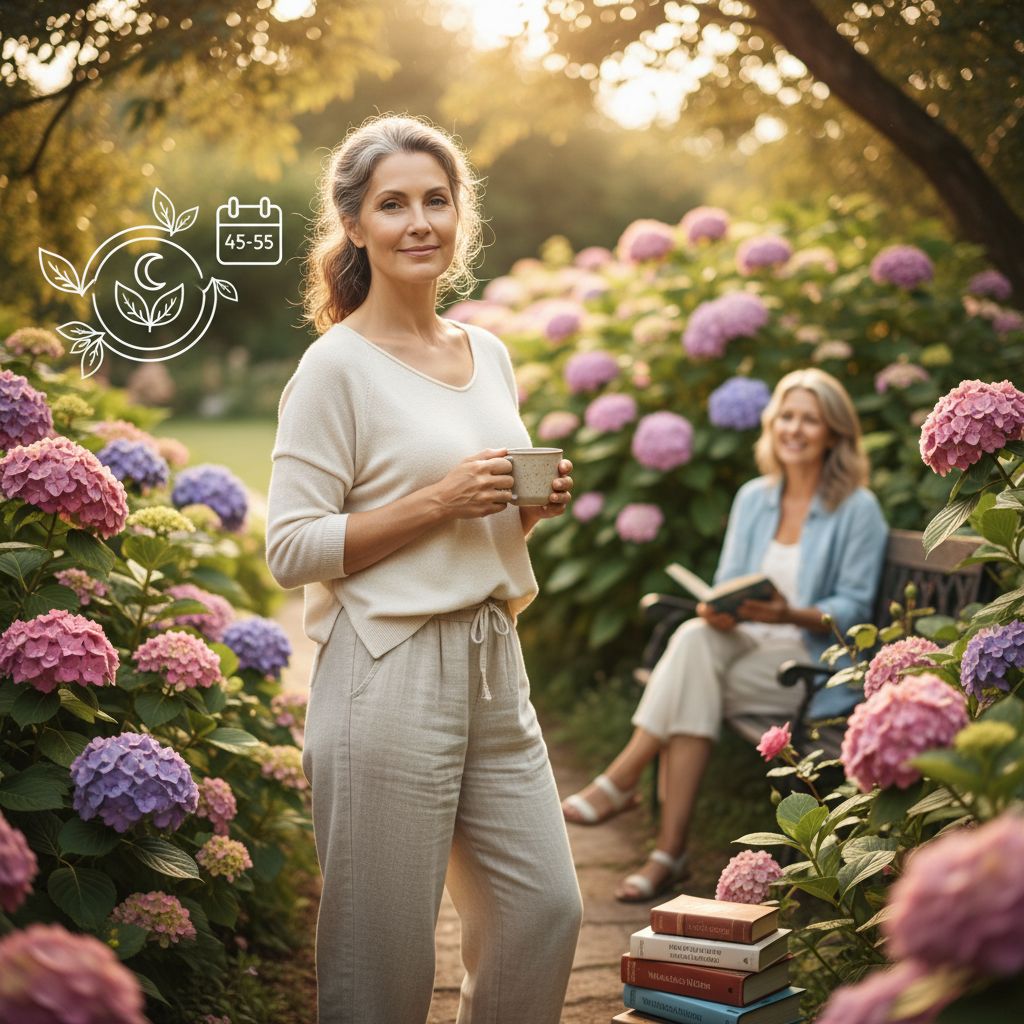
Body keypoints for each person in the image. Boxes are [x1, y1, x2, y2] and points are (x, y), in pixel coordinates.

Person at [265, 114, 583, 1024]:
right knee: (383, 957)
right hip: (384, 673)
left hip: (493, 664)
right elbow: (291, 548)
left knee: (544, 910)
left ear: (460, 215)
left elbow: (478, 527)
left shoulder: (490, 354)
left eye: (436, 201)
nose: (419, 223)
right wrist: (439, 500)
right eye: (393, 204)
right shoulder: (335, 368)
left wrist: (524, 512)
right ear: (355, 226)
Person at [562, 368, 888, 902]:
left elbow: (853, 609)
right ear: (771, 424)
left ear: (834, 432)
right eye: (786, 416)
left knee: (690, 678)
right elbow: (729, 582)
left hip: (806, 665)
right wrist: (720, 609)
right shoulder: (754, 497)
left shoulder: (857, 508)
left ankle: (643, 816)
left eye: (810, 420)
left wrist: (787, 615)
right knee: (696, 636)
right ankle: (653, 835)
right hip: (740, 649)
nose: (794, 429)